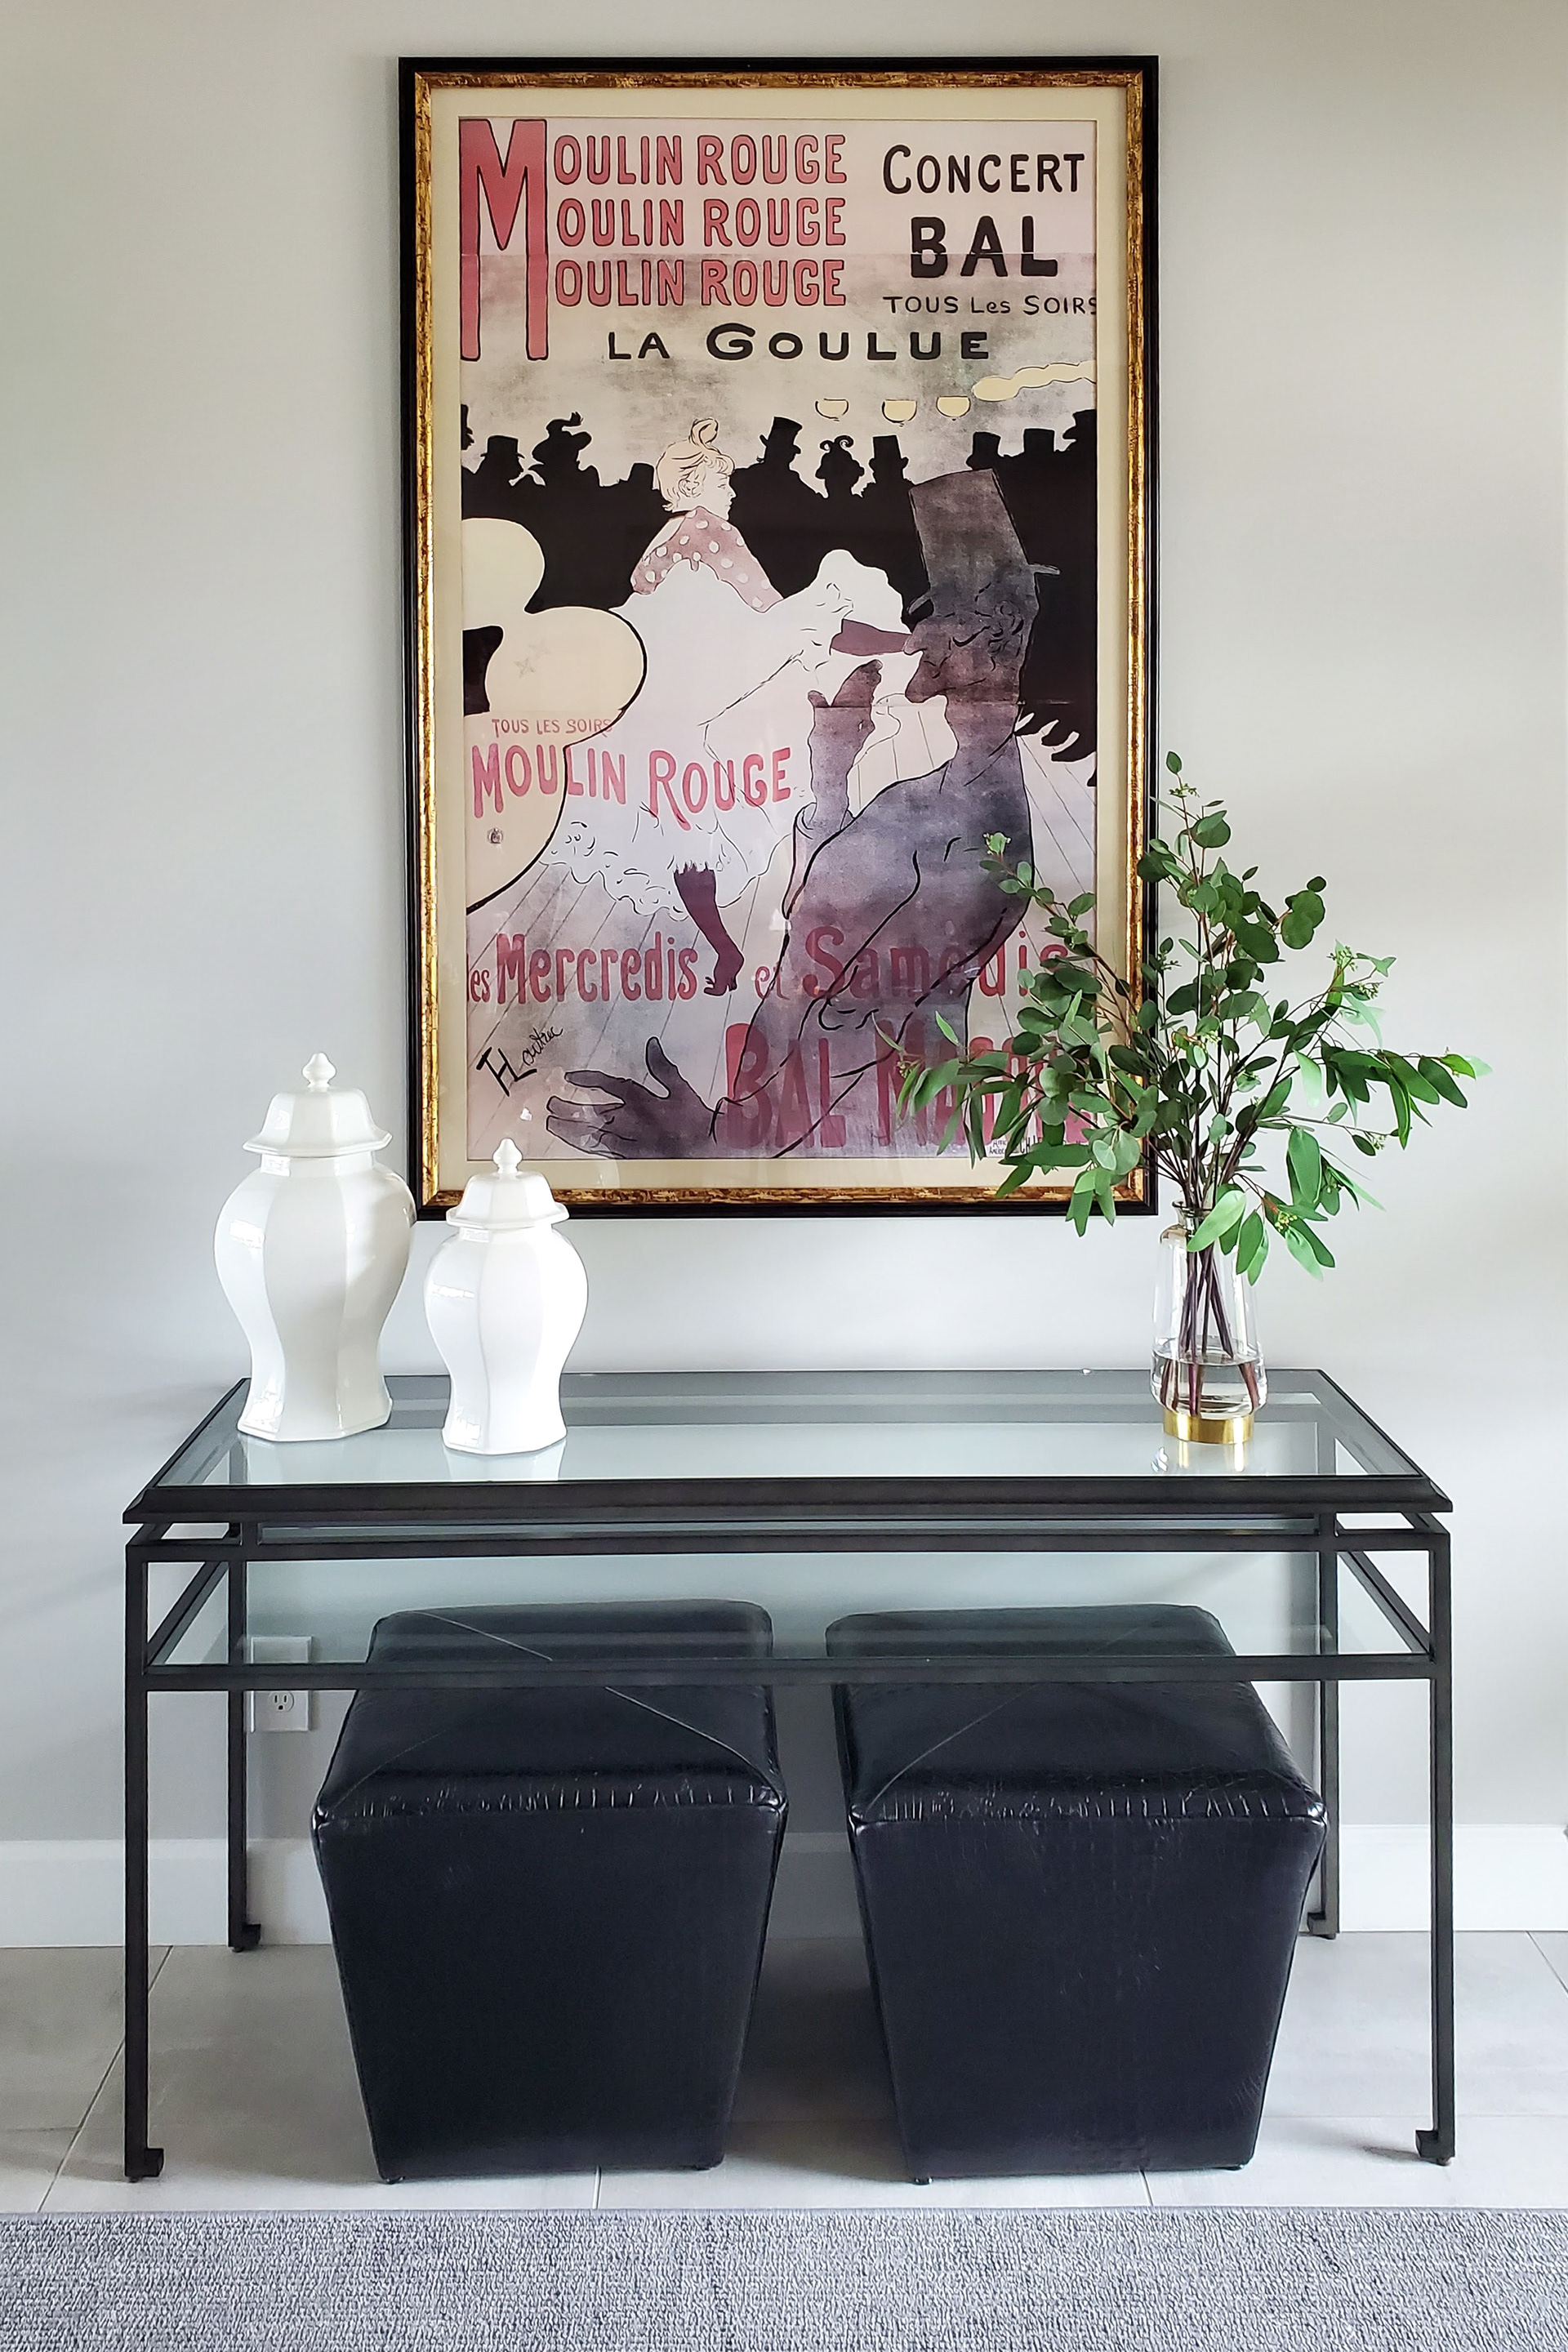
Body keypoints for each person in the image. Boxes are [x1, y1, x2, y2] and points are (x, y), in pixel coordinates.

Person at [546, 468, 1036, 1160]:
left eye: (946, 617)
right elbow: (820, 931)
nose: (920, 642)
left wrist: (717, 1147)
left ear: (1000, 632)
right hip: (816, 1144)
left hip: (861, 1155)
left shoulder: (975, 826)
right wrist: (830, 777)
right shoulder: (927, 798)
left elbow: (842, 1016)